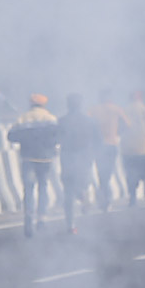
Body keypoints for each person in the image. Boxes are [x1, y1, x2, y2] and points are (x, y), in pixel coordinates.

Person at [7, 94, 60, 237]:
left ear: (30, 104)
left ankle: (29, 216)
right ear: (44, 104)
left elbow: (11, 136)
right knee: (43, 187)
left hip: (28, 158)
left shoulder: (23, 118)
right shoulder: (50, 118)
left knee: (29, 189)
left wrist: (26, 140)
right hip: (46, 159)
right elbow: (58, 136)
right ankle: (42, 218)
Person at [58, 93, 98, 234]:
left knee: (68, 192)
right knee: (81, 185)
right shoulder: (89, 121)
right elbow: (98, 140)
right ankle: (84, 197)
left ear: (68, 105)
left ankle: (70, 225)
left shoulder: (61, 121)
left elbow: (56, 139)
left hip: (67, 160)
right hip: (85, 160)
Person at [87, 90, 130, 212]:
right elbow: (127, 124)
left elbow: (88, 124)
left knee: (102, 174)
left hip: (98, 146)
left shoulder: (94, 110)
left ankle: (104, 200)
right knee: (108, 173)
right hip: (112, 144)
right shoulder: (116, 109)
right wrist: (118, 134)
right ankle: (107, 200)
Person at [120, 91, 145, 207]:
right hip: (143, 148)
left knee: (130, 173)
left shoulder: (123, 110)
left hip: (127, 149)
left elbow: (119, 127)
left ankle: (132, 196)